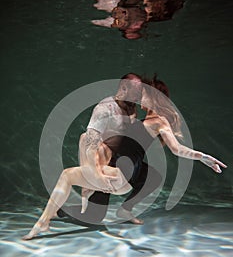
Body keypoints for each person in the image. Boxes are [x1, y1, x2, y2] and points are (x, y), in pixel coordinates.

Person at [23, 73, 162, 240]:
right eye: (137, 92)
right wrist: (95, 176)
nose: (139, 96)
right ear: (124, 88)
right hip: (103, 162)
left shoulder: (130, 106)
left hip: (122, 162)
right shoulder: (104, 109)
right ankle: (60, 210)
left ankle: (125, 210)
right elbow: (89, 143)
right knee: (94, 217)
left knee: (153, 177)